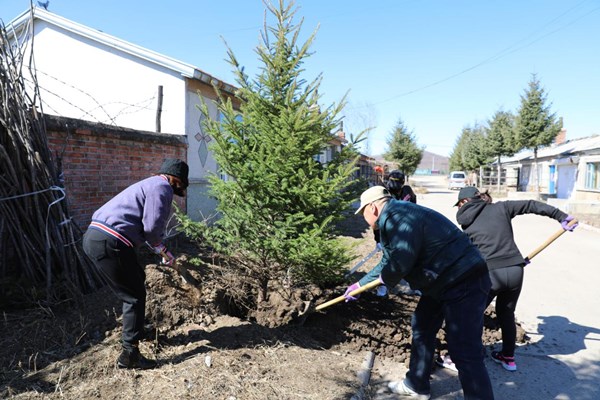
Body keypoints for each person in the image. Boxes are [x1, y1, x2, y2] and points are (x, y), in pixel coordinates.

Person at [345, 186, 495, 400]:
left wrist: (385, 279)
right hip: (443, 280)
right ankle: (417, 384)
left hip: (463, 279)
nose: (364, 218)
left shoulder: (398, 217)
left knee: (464, 347)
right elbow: (389, 259)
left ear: (373, 207)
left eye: (363, 213)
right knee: (422, 325)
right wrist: (361, 284)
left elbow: (401, 260)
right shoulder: (396, 216)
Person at [449, 186, 577, 372]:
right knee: (506, 314)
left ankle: (462, 357)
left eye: (459, 204)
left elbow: (470, 255)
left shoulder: (465, 224)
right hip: (516, 270)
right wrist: (561, 216)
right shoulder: (502, 207)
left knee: (471, 315)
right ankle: (508, 358)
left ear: (464, 202)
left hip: (491, 274)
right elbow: (531, 204)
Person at [82, 158, 189, 369]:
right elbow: (152, 229)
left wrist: (158, 248)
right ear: (177, 180)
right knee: (134, 295)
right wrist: (163, 249)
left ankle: (137, 329)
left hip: (95, 237)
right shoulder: (162, 187)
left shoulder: (148, 184)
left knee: (137, 279)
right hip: (110, 241)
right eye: (181, 186)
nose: (179, 191)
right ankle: (129, 355)